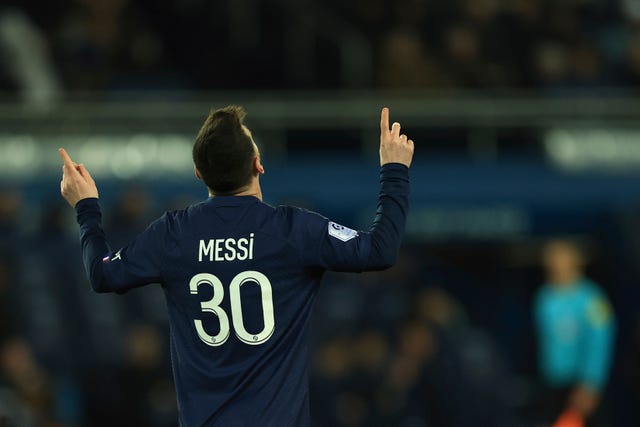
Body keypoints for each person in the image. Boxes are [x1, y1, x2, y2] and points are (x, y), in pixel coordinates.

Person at [58, 106, 414, 427]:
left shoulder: (173, 233)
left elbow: (103, 273)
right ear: (258, 163)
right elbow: (380, 250)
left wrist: (86, 207)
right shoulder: (292, 230)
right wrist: (394, 170)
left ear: (198, 173)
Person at [534, 240, 615, 427]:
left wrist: (591, 383)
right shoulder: (544, 297)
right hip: (552, 381)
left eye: (560, 259)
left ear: (574, 262)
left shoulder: (593, 299)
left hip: (580, 384)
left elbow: (600, 343)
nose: (555, 265)